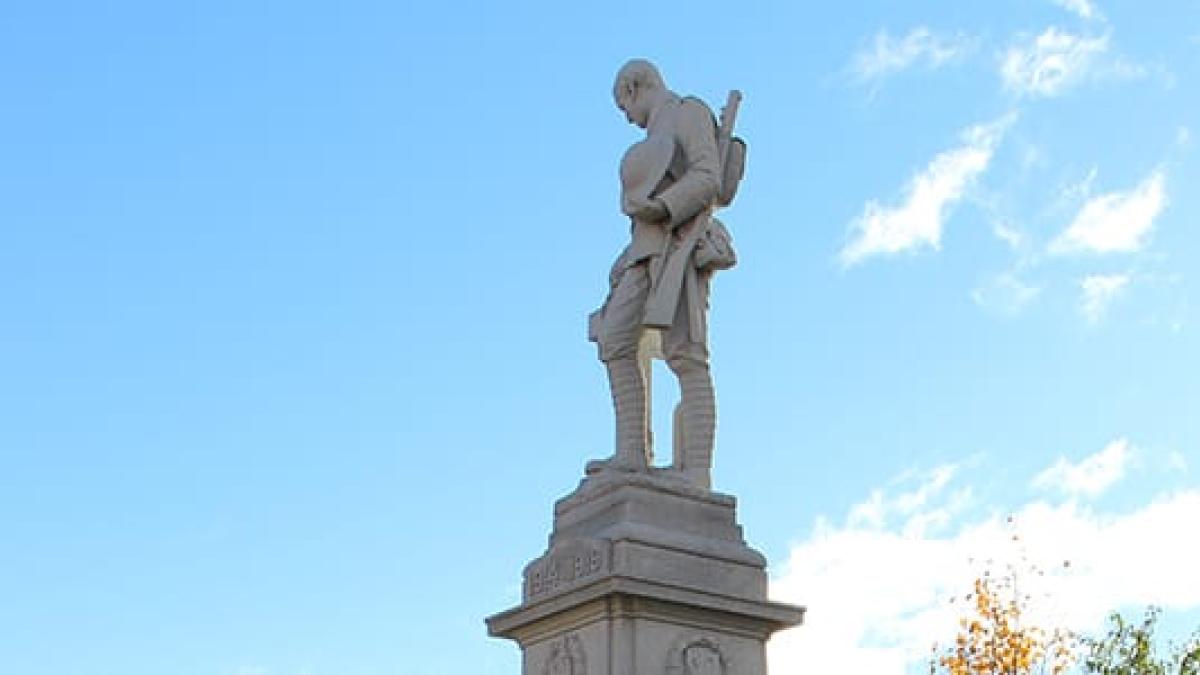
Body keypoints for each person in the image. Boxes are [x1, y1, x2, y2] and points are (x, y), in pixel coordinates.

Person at [588, 59, 721, 490]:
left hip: (681, 245)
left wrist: (664, 208)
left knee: (686, 353)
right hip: (645, 250)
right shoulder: (652, 137)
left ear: (635, 87)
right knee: (614, 338)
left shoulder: (689, 113)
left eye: (624, 105)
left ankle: (697, 471)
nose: (627, 117)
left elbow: (708, 177)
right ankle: (632, 454)